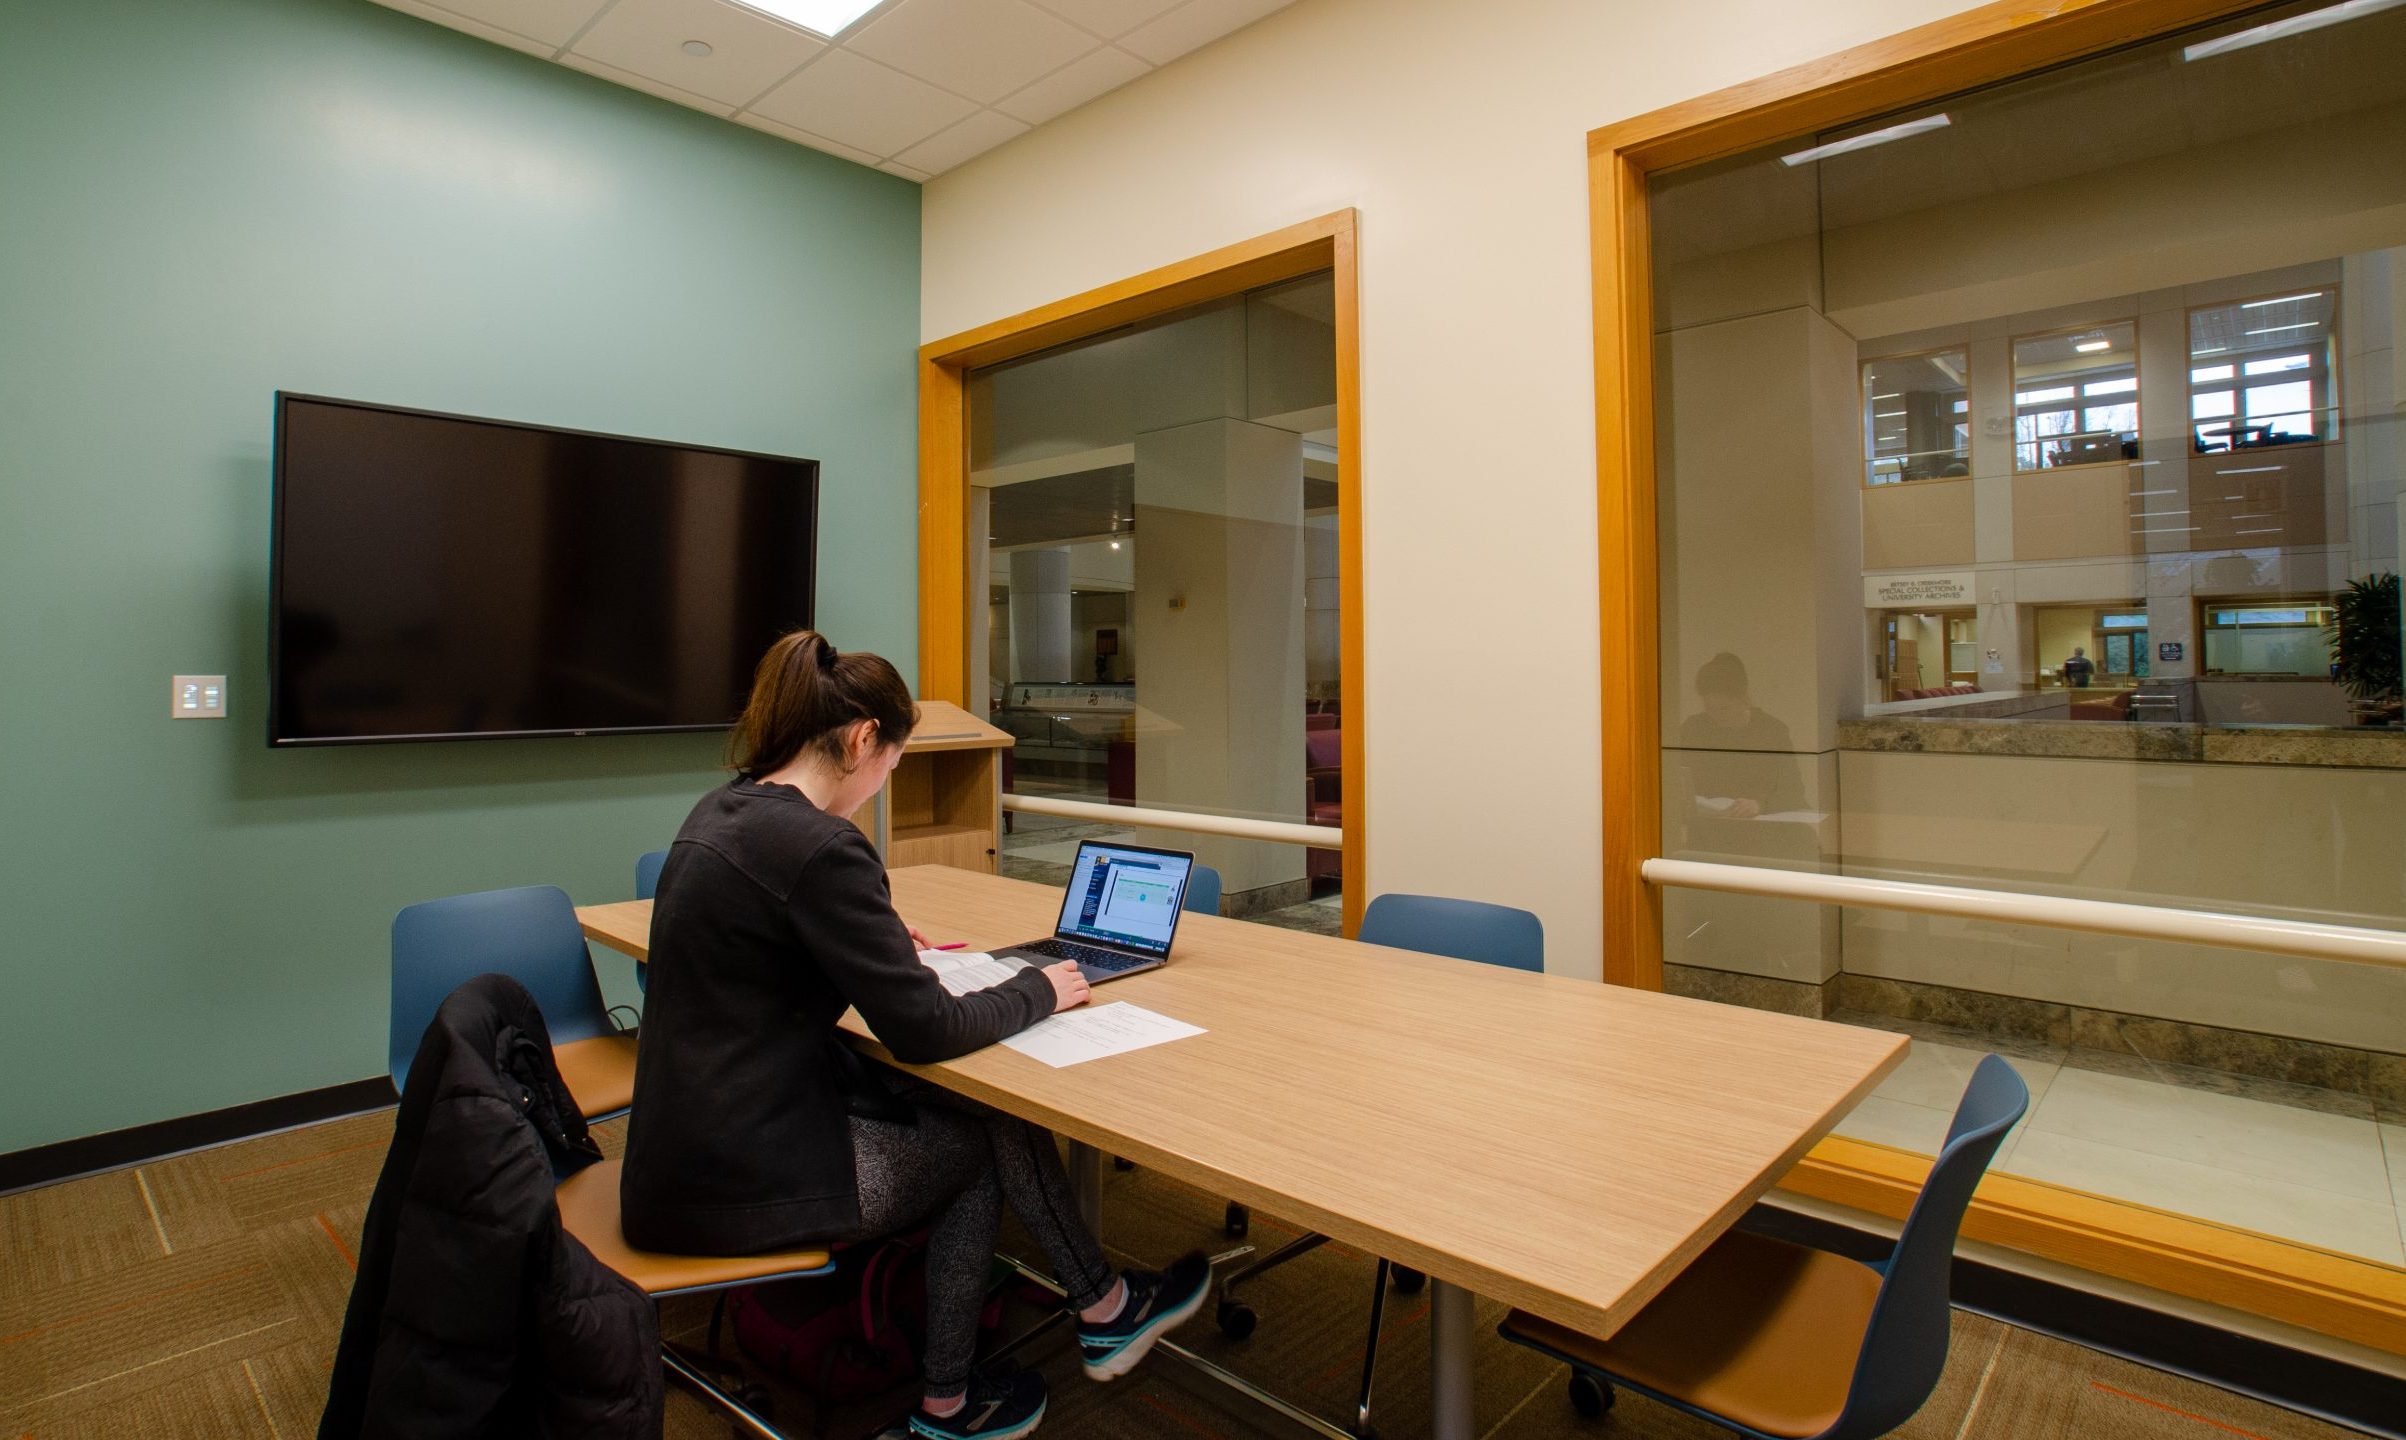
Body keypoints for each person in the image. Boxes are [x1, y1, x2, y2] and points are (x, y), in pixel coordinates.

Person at [621, 630, 1209, 1439]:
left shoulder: (724, 811)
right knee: (980, 1139)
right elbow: (925, 1030)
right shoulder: (824, 848)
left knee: (960, 1120)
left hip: (675, 1154)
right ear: (865, 740)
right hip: (742, 1183)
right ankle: (971, 1389)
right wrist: (1036, 986)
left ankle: (1088, 1311)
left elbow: (769, 938)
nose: (886, 782)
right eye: (893, 763)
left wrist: (872, 933)